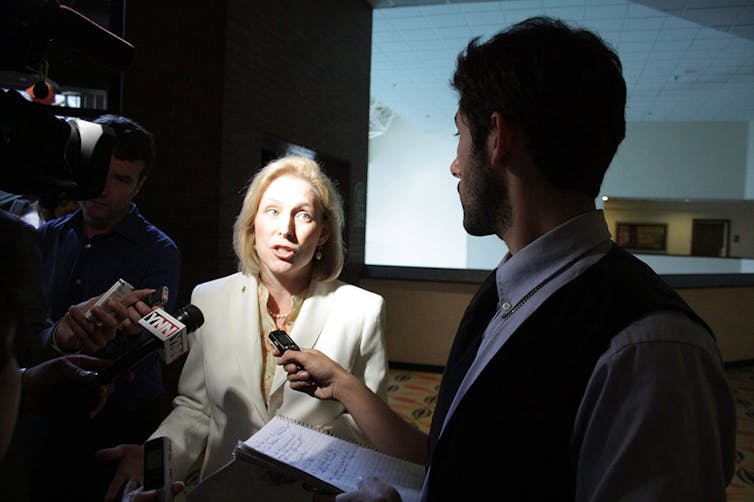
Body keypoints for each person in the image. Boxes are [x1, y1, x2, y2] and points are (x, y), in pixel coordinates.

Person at [277, 16, 737, 502]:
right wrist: (348, 387)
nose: (455, 164)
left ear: (498, 138)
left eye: (460, 137)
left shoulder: (651, 350)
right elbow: (460, 464)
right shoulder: (507, 291)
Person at [99, 155, 389, 500]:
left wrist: (315, 441)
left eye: (304, 215)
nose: (287, 229)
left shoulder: (362, 309)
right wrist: (154, 462)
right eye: (273, 212)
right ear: (252, 226)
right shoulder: (210, 298)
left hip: (310, 493)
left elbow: (372, 424)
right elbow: (196, 409)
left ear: (323, 232)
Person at [31, 114, 181, 501]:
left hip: (123, 417)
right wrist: (57, 337)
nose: (102, 189)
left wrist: (131, 333)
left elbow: (160, 346)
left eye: (121, 179)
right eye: (99, 172)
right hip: (48, 410)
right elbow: (27, 336)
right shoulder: (45, 238)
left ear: (140, 184)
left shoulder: (158, 251)